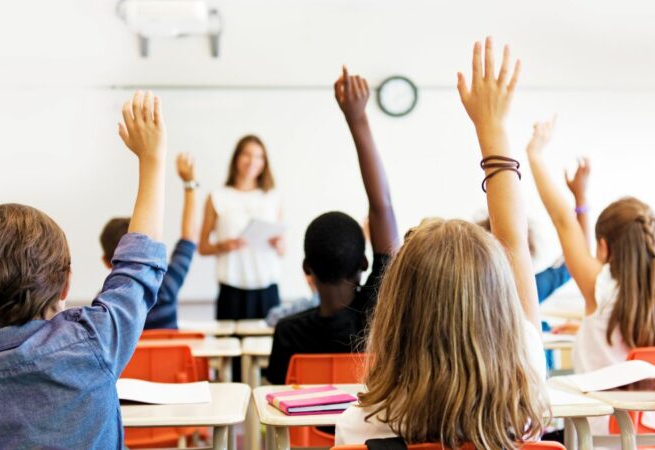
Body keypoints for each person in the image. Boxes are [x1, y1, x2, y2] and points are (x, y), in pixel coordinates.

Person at [335, 38, 548, 450]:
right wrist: (493, 129)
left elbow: (513, 247)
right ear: (500, 303)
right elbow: (515, 245)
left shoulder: (362, 427)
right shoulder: (526, 398)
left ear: (396, 312)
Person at [0, 91, 169, 448]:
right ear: (65, 284)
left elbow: (138, 266)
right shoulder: (93, 342)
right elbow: (138, 267)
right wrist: (153, 161)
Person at [266, 66, 400, 385]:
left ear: (306, 268)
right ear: (365, 263)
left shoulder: (288, 333)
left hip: (307, 438)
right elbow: (382, 207)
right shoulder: (378, 319)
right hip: (368, 437)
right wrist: (357, 119)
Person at [525, 116, 655, 374]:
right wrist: (581, 196)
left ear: (605, 247)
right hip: (652, 416)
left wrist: (535, 153)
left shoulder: (602, 291)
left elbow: (563, 221)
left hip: (606, 415)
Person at [99, 152, 200, 330]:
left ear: (106, 261)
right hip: (170, 359)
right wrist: (189, 184)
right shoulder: (166, 287)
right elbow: (189, 238)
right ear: (145, 250)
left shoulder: (104, 304)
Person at [198, 135, 284, 320]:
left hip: (267, 287)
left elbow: (282, 249)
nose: (253, 161)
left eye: (259, 156)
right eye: (247, 154)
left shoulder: (272, 197)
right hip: (232, 288)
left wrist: (279, 245)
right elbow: (203, 247)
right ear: (236, 157)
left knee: (268, 347)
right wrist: (224, 246)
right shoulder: (217, 197)